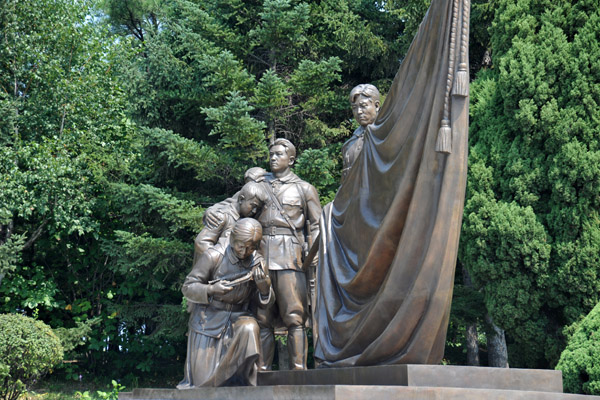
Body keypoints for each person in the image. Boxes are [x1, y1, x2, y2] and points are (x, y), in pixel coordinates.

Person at [178, 218, 273, 388]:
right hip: (208, 318)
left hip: (239, 317)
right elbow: (188, 287)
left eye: (250, 248)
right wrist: (211, 290)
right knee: (202, 386)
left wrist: (264, 289)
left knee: (250, 327)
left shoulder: (257, 262)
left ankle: (244, 384)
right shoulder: (213, 256)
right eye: (240, 246)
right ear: (232, 239)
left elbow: (266, 304)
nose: (244, 252)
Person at [255, 138, 321, 370]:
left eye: (278, 154)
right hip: (261, 255)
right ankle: (261, 371)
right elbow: (237, 206)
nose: (273, 158)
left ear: (291, 159)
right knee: (262, 318)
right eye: (271, 154)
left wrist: (312, 253)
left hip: (290, 256)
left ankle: (299, 369)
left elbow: (316, 224)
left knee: (295, 316)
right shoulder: (259, 185)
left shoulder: (304, 189)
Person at [194, 181, 268, 259]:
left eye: (258, 208)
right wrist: (219, 262)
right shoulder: (222, 216)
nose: (254, 211)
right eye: (253, 206)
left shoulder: (247, 219)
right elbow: (201, 243)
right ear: (241, 199)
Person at [341, 84, 380, 182]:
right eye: (354, 107)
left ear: (376, 106)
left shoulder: (388, 136)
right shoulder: (348, 146)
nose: (358, 112)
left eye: (363, 106)